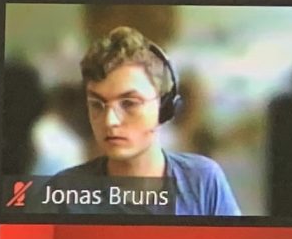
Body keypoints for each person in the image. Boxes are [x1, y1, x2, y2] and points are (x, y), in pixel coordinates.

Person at [45, 26, 241, 216]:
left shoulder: (203, 180)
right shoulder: (64, 192)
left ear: (163, 106)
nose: (109, 121)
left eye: (129, 103)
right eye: (97, 104)